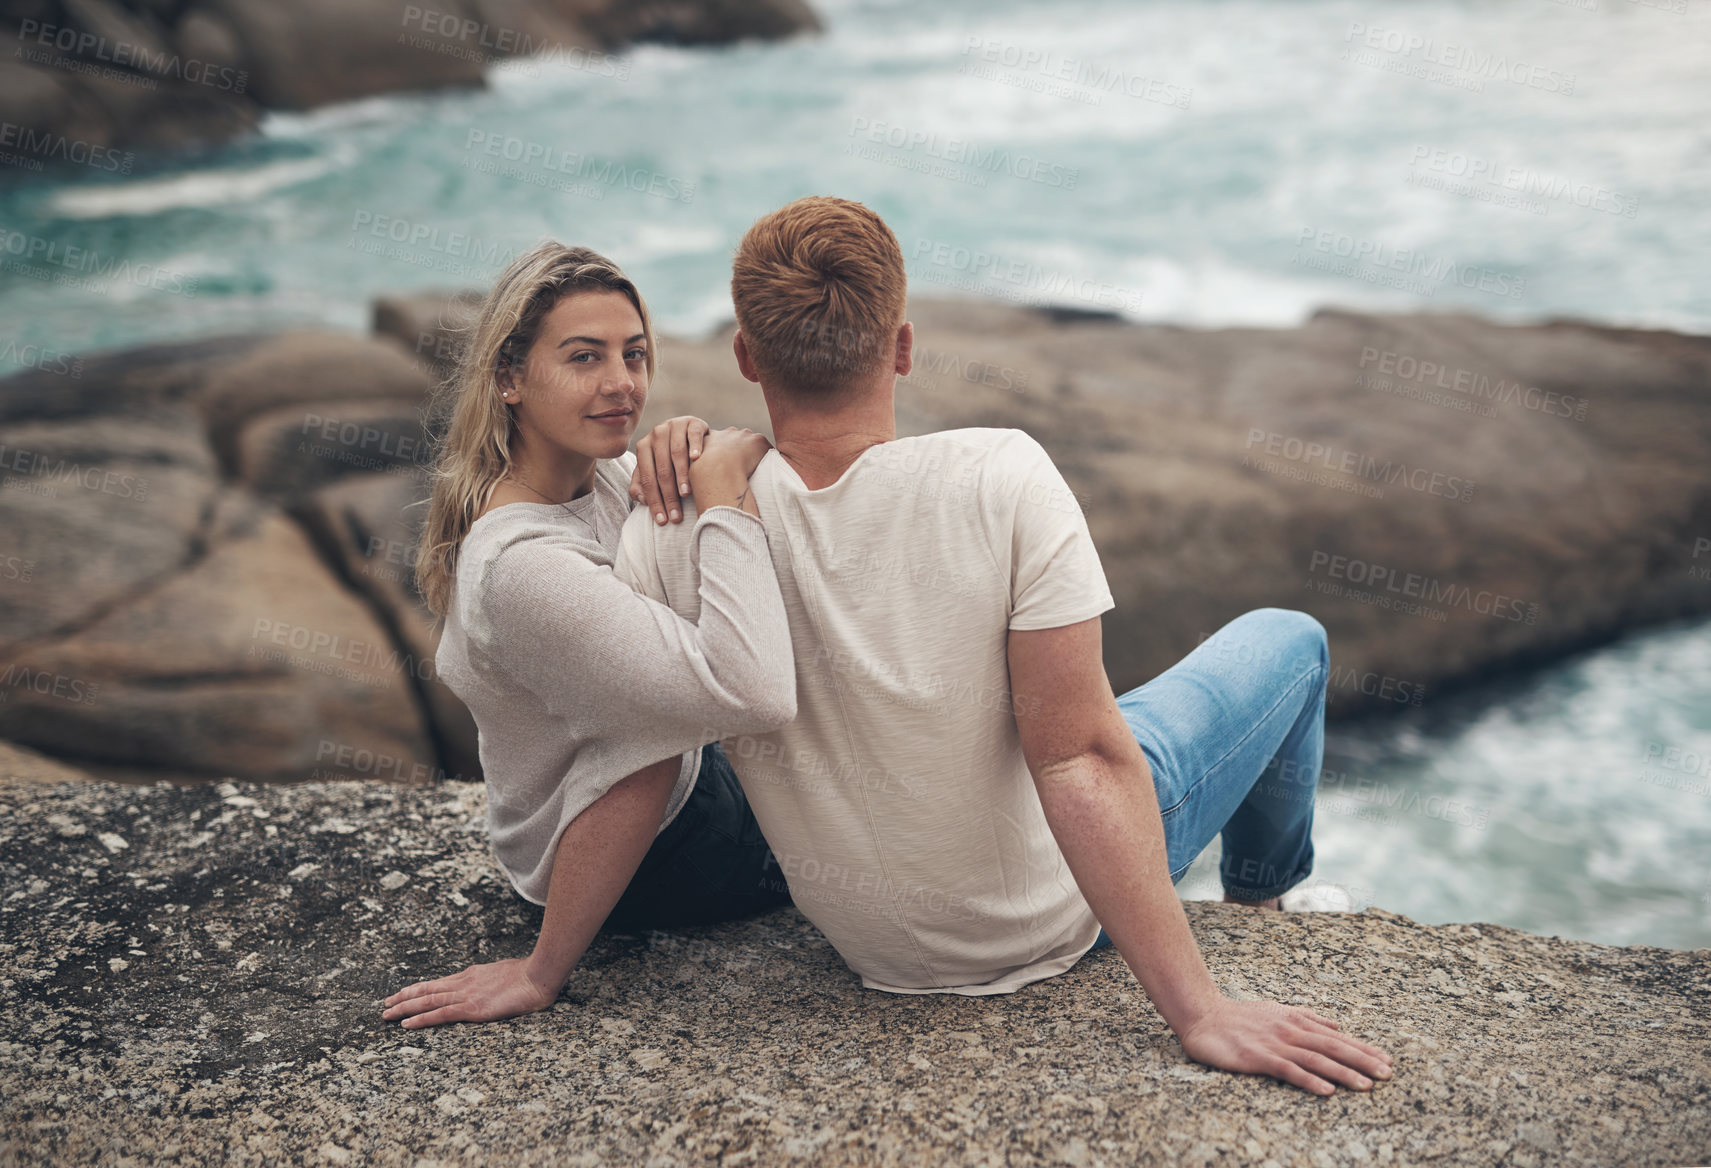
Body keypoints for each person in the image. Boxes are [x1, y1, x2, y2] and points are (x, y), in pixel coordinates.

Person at [614, 196, 1394, 1096]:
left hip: (870, 943)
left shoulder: (679, 528)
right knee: (1289, 642)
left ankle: (1259, 904)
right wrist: (1201, 1012)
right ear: (901, 346)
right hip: (1044, 916)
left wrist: (544, 971)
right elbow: (1080, 759)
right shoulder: (1001, 477)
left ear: (747, 358)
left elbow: (634, 756)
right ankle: (1260, 902)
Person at [381, 242, 797, 1029]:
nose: (621, 383)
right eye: (583, 357)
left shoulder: (595, 473)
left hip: (663, 790)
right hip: (670, 853)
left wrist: (704, 443)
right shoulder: (525, 568)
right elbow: (732, 706)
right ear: (509, 378)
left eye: (633, 355)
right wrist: (541, 974)